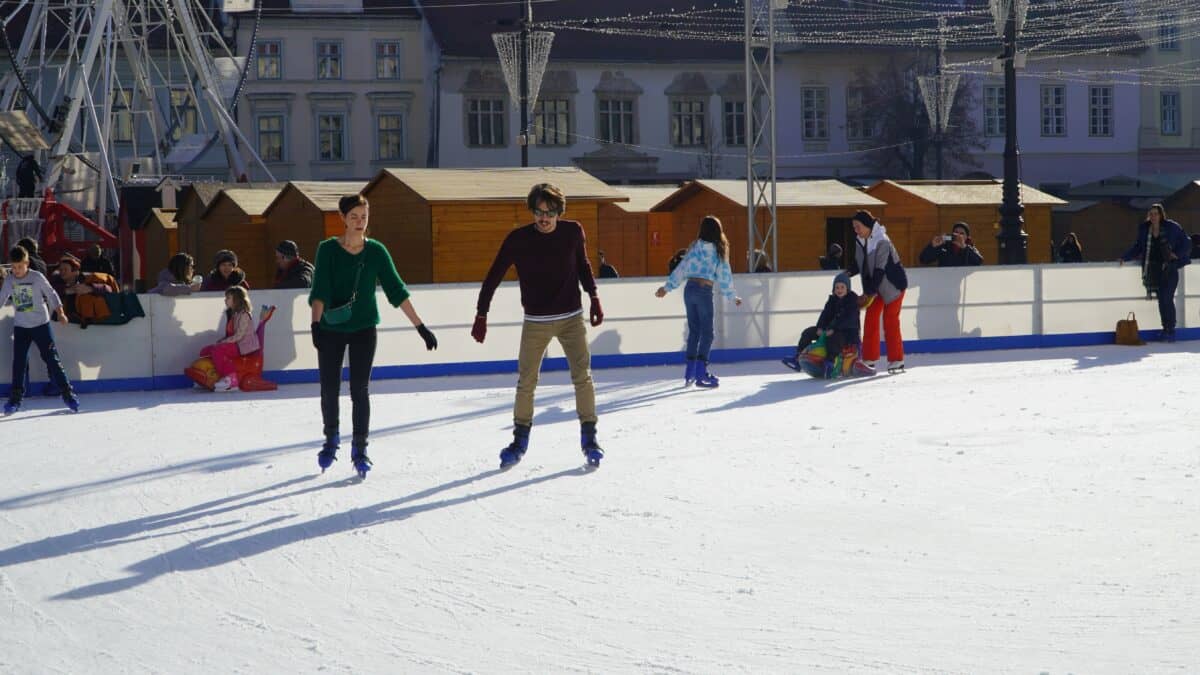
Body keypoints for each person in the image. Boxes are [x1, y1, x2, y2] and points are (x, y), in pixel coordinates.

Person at [472, 183, 606, 470]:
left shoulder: (572, 232)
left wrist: (594, 297)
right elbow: (493, 276)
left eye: (550, 212)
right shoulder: (518, 239)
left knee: (582, 377)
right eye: (538, 212)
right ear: (532, 211)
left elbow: (583, 265)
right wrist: (481, 314)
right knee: (526, 382)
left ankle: (590, 438)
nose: (543, 218)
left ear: (559, 211)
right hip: (536, 322)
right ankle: (519, 440)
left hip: (571, 318)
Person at [309, 194, 438, 479]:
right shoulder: (327, 250)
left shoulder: (376, 251)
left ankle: (360, 448)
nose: (359, 223)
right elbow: (320, 289)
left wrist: (420, 327)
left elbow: (396, 290)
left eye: (364, 217)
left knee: (360, 390)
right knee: (329, 388)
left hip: (364, 328)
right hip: (330, 328)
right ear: (342, 218)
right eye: (354, 217)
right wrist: (315, 324)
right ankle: (331, 440)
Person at [654, 215, 742, 388]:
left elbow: (682, 268)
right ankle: (701, 373)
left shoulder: (695, 248)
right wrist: (732, 296)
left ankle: (690, 373)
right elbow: (724, 275)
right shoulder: (718, 250)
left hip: (690, 290)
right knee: (708, 333)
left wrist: (667, 287)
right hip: (703, 291)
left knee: (694, 331)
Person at [0, 246, 78, 414]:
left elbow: (51, 294)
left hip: (41, 325)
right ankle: (15, 399)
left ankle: (68, 394)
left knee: (52, 359)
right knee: (19, 363)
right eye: (13, 267)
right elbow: (1, 298)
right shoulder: (9, 280)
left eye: (20, 266)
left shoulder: (37, 277)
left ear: (27, 263)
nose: (16, 271)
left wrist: (61, 313)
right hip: (21, 327)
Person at [1119, 203, 1191, 342]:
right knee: (1161, 301)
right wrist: (1125, 257)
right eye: (1151, 214)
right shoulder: (1145, 229)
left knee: (1166, 298)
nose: (1153, 216)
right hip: (1154, 270)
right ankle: (1165, 328)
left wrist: (1177, 254)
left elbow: (1186, 242)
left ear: (1161, 215)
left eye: (1156, 213)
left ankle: (1170, 329)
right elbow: (1138, 247)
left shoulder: (1171, 227)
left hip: (1169, 268)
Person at [849, 209, 908, 373]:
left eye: (858, 226)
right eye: (854, 227)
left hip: (893, 286)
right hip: (876, 286)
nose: (856, 230)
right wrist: (847, 273)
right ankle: (869, 358)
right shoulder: (860, 240)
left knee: (890, 321)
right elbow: (859, 263)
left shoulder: (882, 241)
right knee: (871, 318)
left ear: (867, 226)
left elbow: (880, 270)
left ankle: (897, 360)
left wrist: (869, 293)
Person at [782, 271, 861, 373]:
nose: (839, 290)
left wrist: (833, 329)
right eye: (837, 287)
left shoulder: (852, 301)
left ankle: (830, 361)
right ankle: (798, 357)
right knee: (808, 332)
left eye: (842, 287)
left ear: (847, 288)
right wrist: (820, 327)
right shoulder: (832, 300)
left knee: (834, 338)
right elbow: (825, 315)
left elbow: (848, 320)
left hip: (847, 333)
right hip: (829, 330)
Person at [198, 286, 259, 392]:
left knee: (218, 350)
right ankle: (210, 376)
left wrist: (224, 341)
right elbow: (232, 334)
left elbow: (239, 335)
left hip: (244, 346)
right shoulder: (235, 314)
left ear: (237, 299)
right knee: (206, 350)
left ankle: (231, 379)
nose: (225, 300)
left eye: (228, 298)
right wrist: (223, 340)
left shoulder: (244, 314)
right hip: (237, 344)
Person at [918, 222, 983, 267]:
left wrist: (964, 247)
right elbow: (923, 259)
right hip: (945, 280)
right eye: (956, 232)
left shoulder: (969, 247)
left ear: (967, 237)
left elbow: (979, 261)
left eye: (962, 233)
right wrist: (932, 246)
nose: (958, 235)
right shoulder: (944, 246)